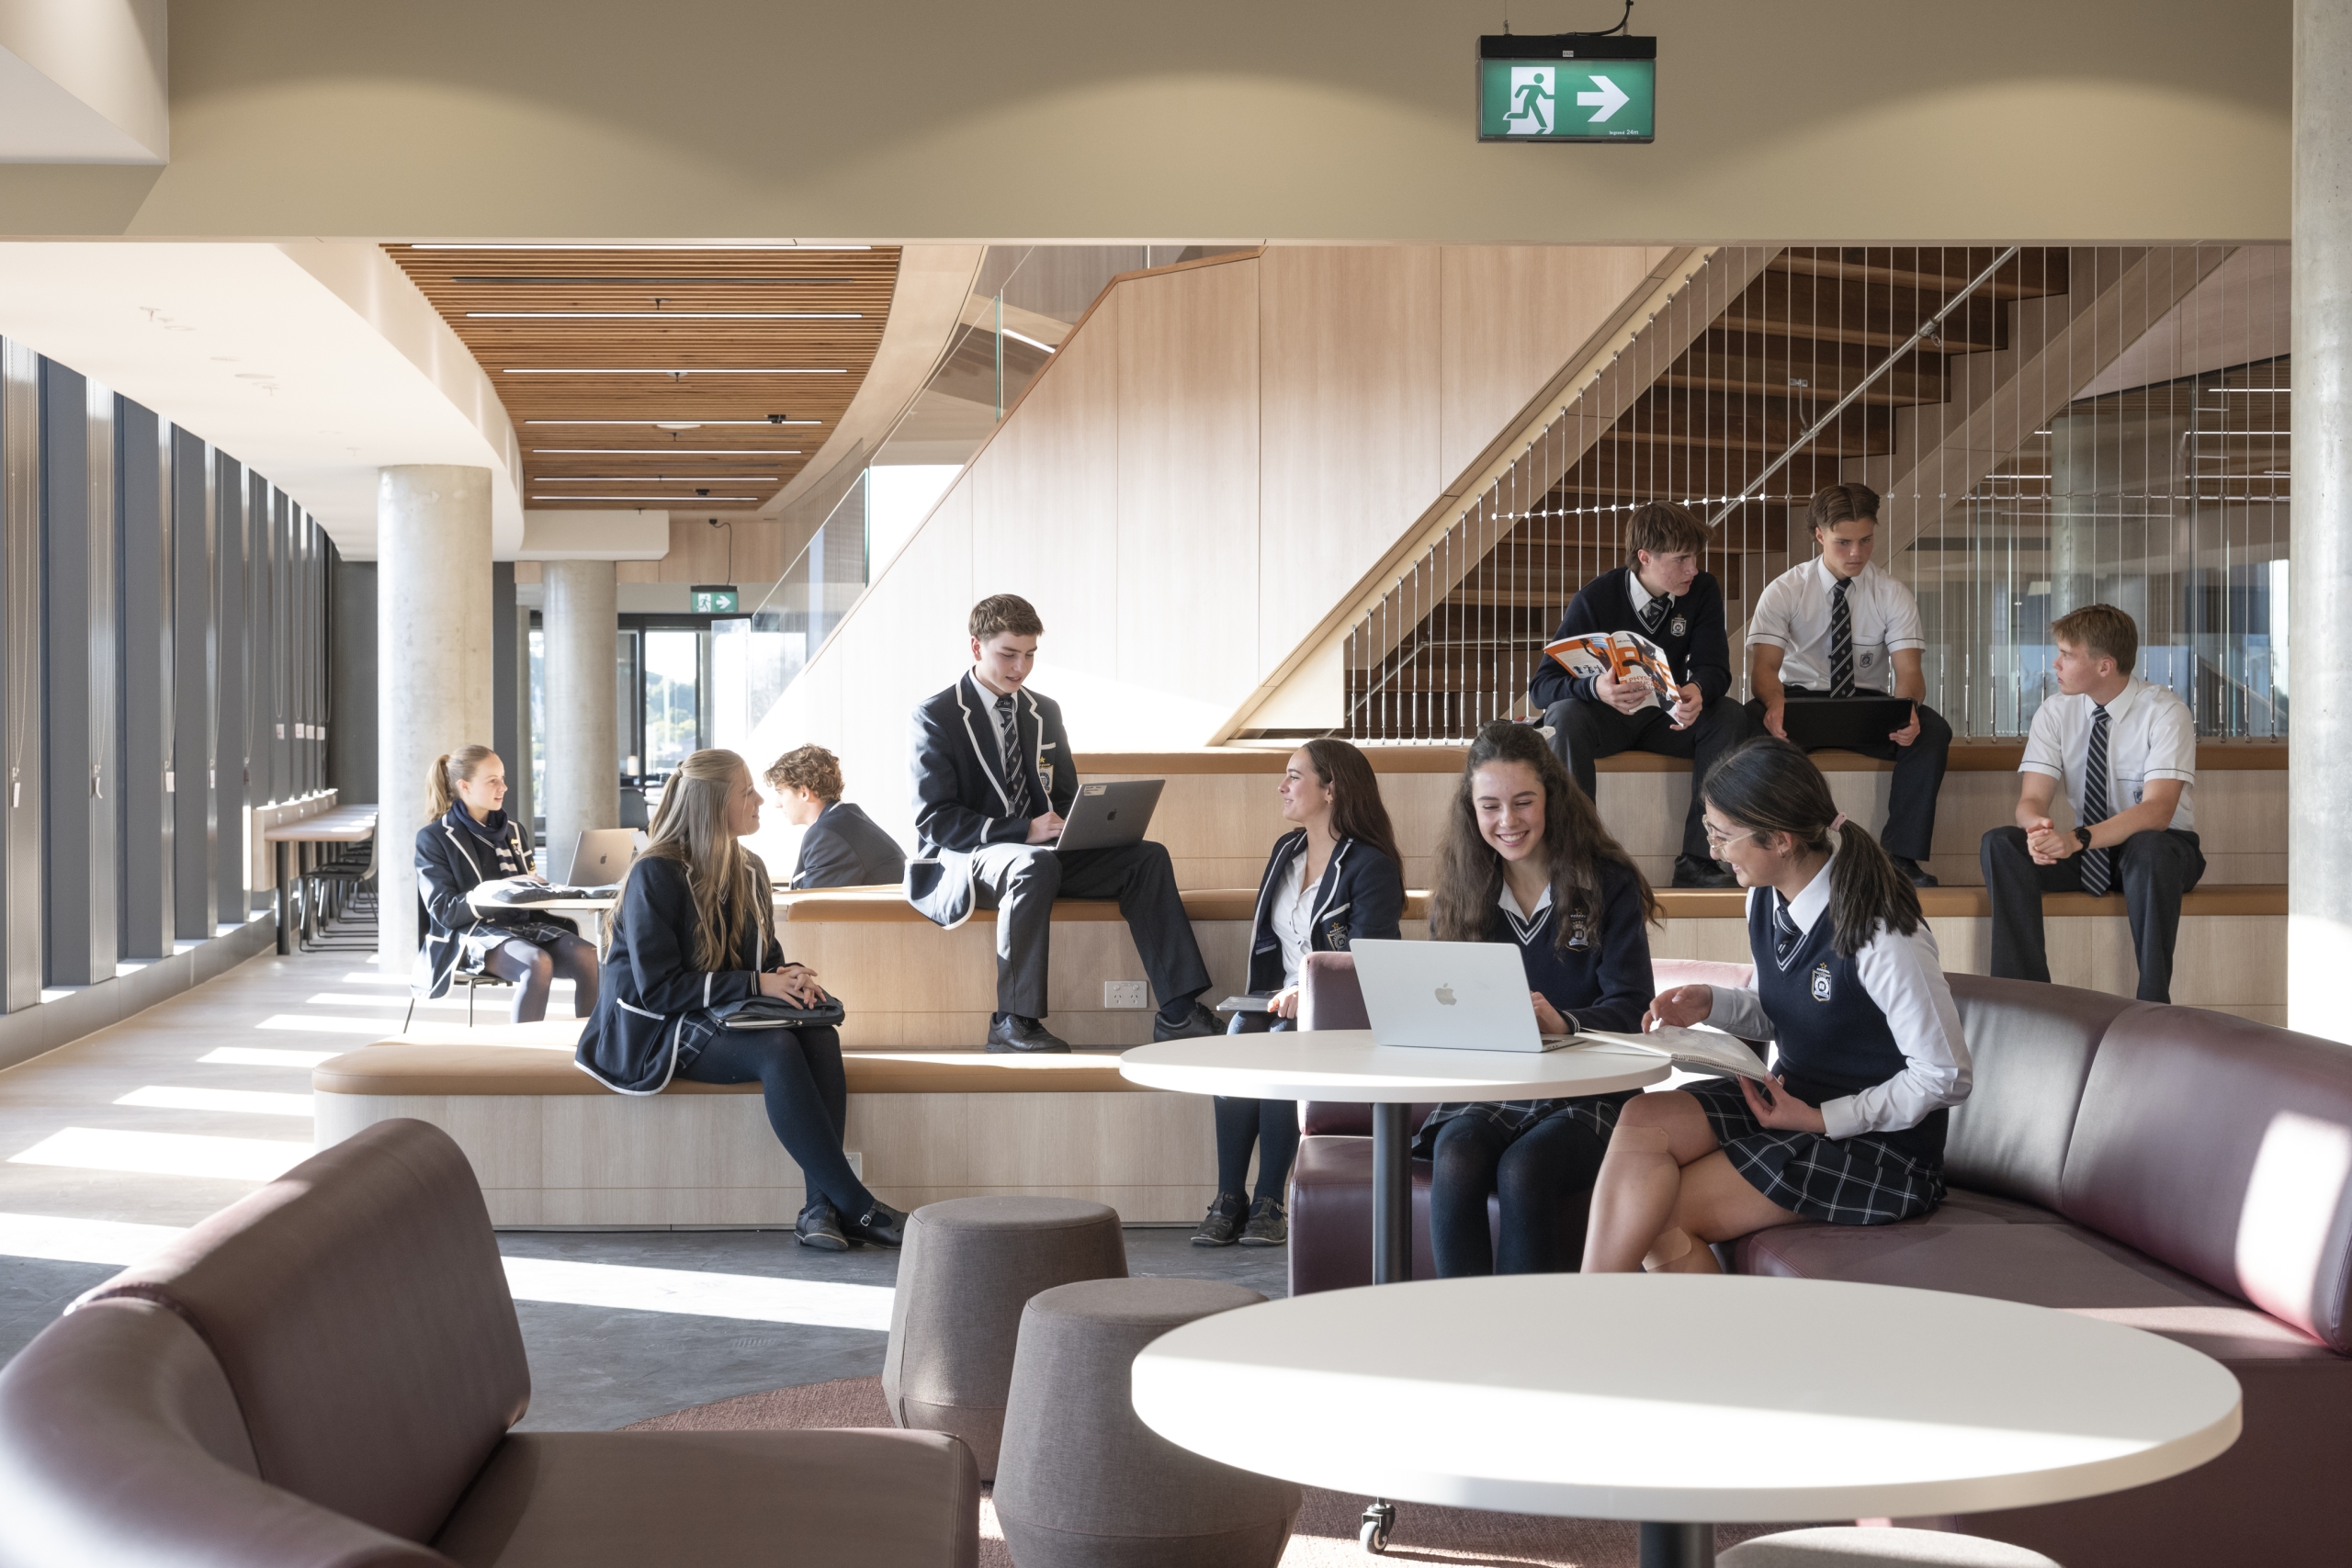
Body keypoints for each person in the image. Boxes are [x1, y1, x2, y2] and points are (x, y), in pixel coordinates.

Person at [1581, 739, 1972, 1274]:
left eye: (1722, 835)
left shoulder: (1882, 934)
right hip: (1792, 1102)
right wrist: (1711, 1005)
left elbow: (1946, 1075)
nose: (1713, 850)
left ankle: (1612, 1327)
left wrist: (1821, 1118)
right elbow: (1785, 1011)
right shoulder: (1763, 894)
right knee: (1644, 1115)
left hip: (1882, 1150)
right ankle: (1590, 1303)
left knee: (1660, 1216)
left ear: (1781, 840)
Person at [576, 748, 905, 1252]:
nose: (759, 801)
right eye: (747, 791)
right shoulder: (655, 873)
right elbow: (659, 990)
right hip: (654, 1029)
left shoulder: (748, 867)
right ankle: (858, 1207)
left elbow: (763, 955)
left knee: (817, 1030)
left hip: (715, 1010)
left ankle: (820, 1209)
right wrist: (757, 984)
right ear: (713, 803)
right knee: (775, 1049)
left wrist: (788, 976)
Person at [910, 593, 1221, 1054]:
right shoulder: (936, 715)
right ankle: (1012, 1021)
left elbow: (1064, 795)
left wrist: (1085, 825)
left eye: (1030, 655)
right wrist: (1023, 832)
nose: (1021, 668)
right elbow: (935, 820)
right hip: (972, 856)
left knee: (1146, 858)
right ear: (976, 648)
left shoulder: (1044, 712)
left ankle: (1178, 1014)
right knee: (1033, 865)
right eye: (1008, 654)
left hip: (1042, 853)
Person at [1413, 721, 1658, 1278]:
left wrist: (1566, 1021)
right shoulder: (1459, 888)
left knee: (1526, 1167)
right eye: (1490, 806)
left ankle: (1526, 1342)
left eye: (1523, 802)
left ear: (1551, 795)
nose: (1508, 821)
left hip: (1591, 1089)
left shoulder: (1606, 879)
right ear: (1470, 809)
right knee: (1456, 1155)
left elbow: (1633, 1007)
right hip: (1496, 1087)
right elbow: (1442, 1003)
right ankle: (1466, 1336)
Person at [1192, 739, 1406, 1250]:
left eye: (1294, 776)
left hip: (1338, 1007)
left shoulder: (1369, 865)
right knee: (1240, 1038)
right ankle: (1228, 1199)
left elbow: (1373, 960)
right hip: (1274, 997)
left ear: (1331, 789)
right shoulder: (1285, 851)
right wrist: (1279, 992)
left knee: (1286, 1044)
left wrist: (1307, 990)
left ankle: (1270, 1201)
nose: (1282, 786)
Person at [1981, 604, 2202, 1003]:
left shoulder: (2166, 712)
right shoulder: (2055, 711)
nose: (2055, 663)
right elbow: (2031, 799)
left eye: (2067, 654)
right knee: (2001, 843)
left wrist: (2077, 839)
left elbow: (2157, 811)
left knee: (2149, 849)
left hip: (2163, 852)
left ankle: (2153, 1004)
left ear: (2105, 666)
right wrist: (2038, 830)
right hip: (2089, 850)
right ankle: (2025, 999)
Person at [1530, 500, 1751, 888]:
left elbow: (1715, 667)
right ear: (1645, 557)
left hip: (1666, 719)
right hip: (1605, 722)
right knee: (1564, 715)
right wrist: (1595, 688)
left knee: (1730, 715)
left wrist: (1697, 690)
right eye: (1682, 559)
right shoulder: (1595, 598)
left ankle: (1701, 859)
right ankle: (1575, 861)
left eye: (1695, 558)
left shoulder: (1701, 590)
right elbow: (1542, 688)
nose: (1693, 569)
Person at [1746, 483, 1951, 886]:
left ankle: (1901, 859)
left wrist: (1907, 709)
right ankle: (1764, 853)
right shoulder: (1785, 590)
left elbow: (1909, 673)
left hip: (1866, 705)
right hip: (1798, 703)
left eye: (1865, 540)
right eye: (1843, 542)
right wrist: (1773, 704)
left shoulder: (1892, 594)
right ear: (1819, 535)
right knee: (1742, 724)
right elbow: (1765, 670)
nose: (1856, 553)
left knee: (1932, 730)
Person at [413, 745, 600, 1024]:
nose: (504, 787)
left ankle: (593, 1050)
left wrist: (546, 889)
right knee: (537, 962)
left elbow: (527, 890)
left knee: (590, 956)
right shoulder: (434, 838)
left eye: (502, 778)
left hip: (525, 927)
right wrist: (501, 888)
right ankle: (522, 1056)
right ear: (464, 786)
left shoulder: (514, 830)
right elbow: (445, 912)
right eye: (492, 781)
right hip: (471, 934)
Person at [765, 743, 907, 889]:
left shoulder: (827, 836)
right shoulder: (845, 822)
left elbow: (810, 907)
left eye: (781, 792)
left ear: (804, 792)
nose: (777, 803)